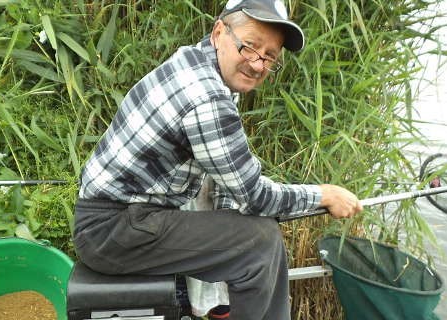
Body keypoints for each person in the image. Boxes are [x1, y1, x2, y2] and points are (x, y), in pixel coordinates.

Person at [72, 1, 363, 319]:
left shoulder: (196, 61)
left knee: (245, 225)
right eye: (249, 47)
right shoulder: (207, 97)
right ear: (219, 32)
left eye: (269, 57)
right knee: (260, 244)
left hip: (122, 218)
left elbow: (231, 183)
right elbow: (255, 196)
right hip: (112, 232)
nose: (257, 64)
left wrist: (236, 215)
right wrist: (326, 195)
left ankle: (220, 309)